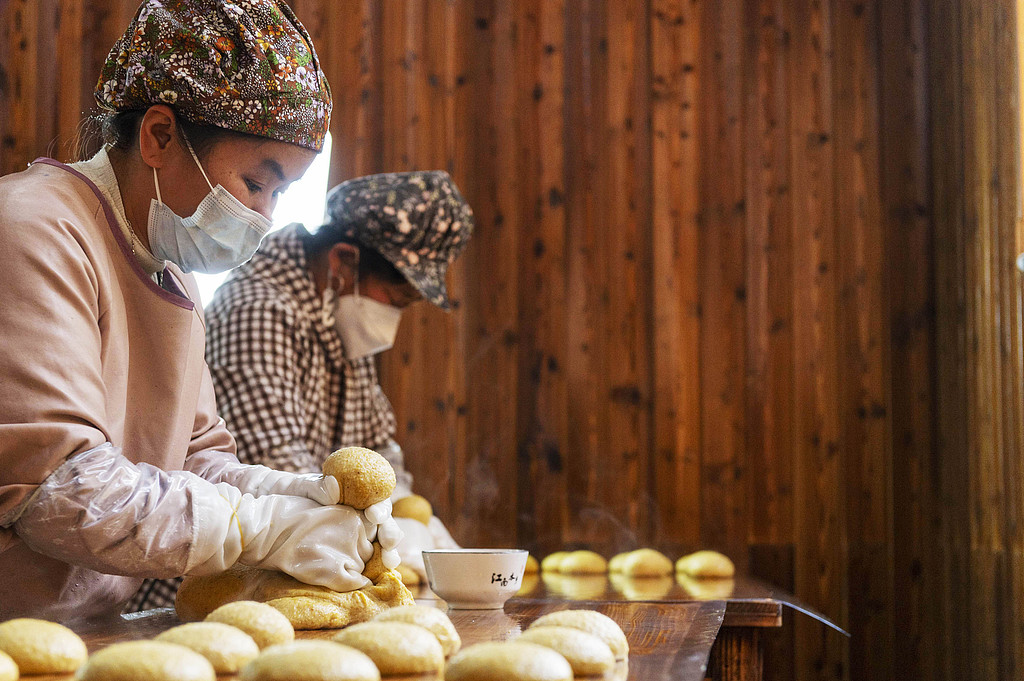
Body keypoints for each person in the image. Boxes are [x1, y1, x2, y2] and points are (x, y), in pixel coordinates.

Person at [0, 0, 399, 622]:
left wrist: (290, 495)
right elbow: (60, 491)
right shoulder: (34, 231)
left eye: (281, 193)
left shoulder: (171, 271)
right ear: (159, 136)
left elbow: (192, 459)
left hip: (89, 629)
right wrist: (261, 529)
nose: (264, 217)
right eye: (255, 184)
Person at [203, 171, 474, 580]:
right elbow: (278, 472)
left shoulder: (339, 315)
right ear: (344, 261)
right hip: (228, 577)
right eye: (398, 299)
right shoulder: (258, 310)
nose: (395, 317)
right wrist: (379, 531)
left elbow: (377, 449)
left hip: (311, 564)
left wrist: (405, 507)